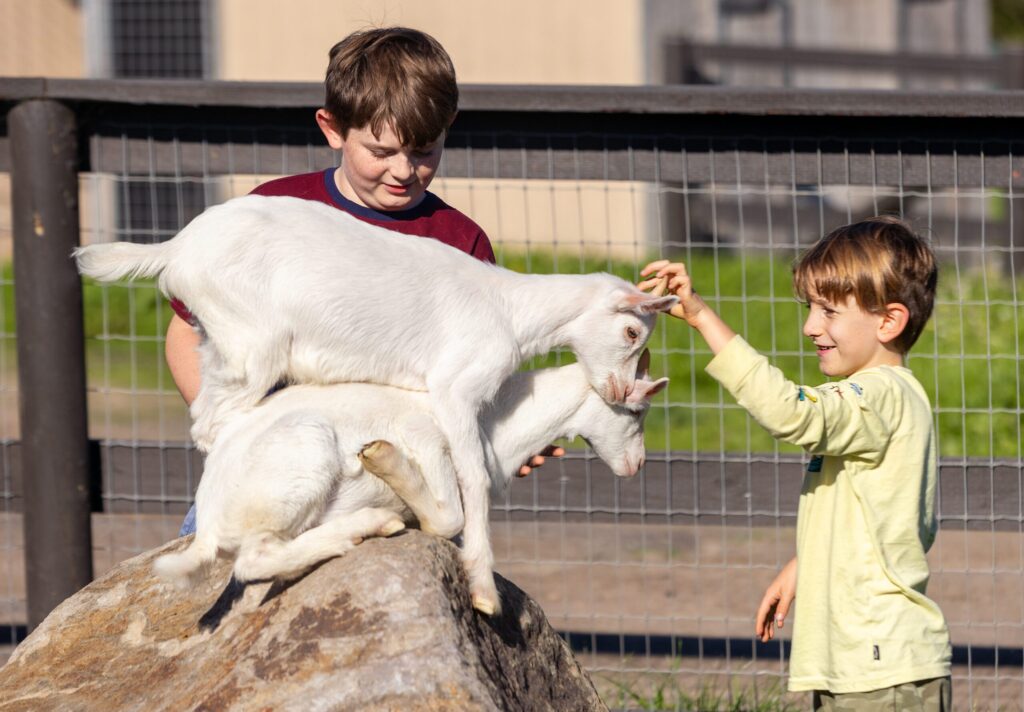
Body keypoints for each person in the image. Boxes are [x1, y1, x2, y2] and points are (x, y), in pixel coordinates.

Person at [169, 27, 560, 537]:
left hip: (402, 491)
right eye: (381, 151)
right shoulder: (273, 215)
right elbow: (185, 333)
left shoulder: (460, 244)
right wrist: (235, 433)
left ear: (448, 128)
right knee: (208, 584)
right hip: (272, 468)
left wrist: (508, 430)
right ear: (332, 129)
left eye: (424, 150)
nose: (403, 171)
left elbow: (470, 381)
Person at [639, 217, 952, 710]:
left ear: (889, 321)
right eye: (810, 308)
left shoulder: (880, 396)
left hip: (882, 671)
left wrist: (703, 318)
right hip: (863, 665)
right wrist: (805, 564)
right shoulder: (878, 400)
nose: (810, 327)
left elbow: (790, 413)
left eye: (828, 311)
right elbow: (882, 520)